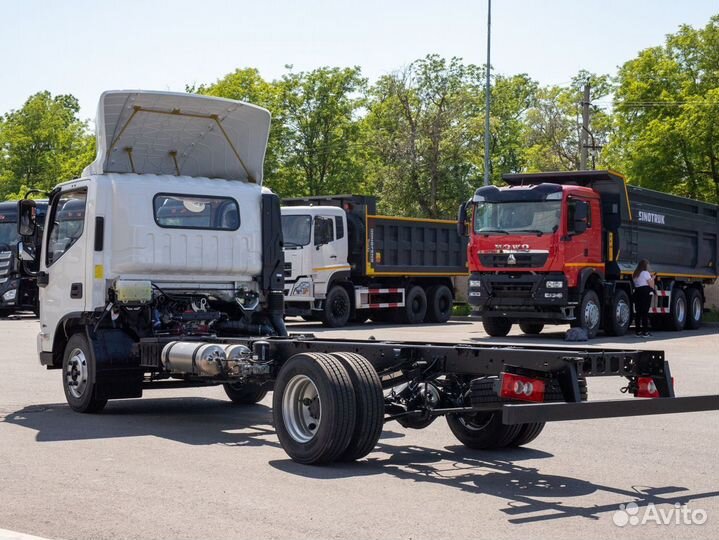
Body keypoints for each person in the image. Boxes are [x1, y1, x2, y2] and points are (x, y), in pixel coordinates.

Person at [633, 259, 656, 337]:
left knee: (638, 313)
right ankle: (645, 332)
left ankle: (638, 331)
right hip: (645, 293)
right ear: (645, 266)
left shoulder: (635, 274)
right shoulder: (645, 273)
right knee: (645, 312)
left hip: (637, 292)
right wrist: (653, 278)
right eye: (647, 264)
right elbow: (651, 285)